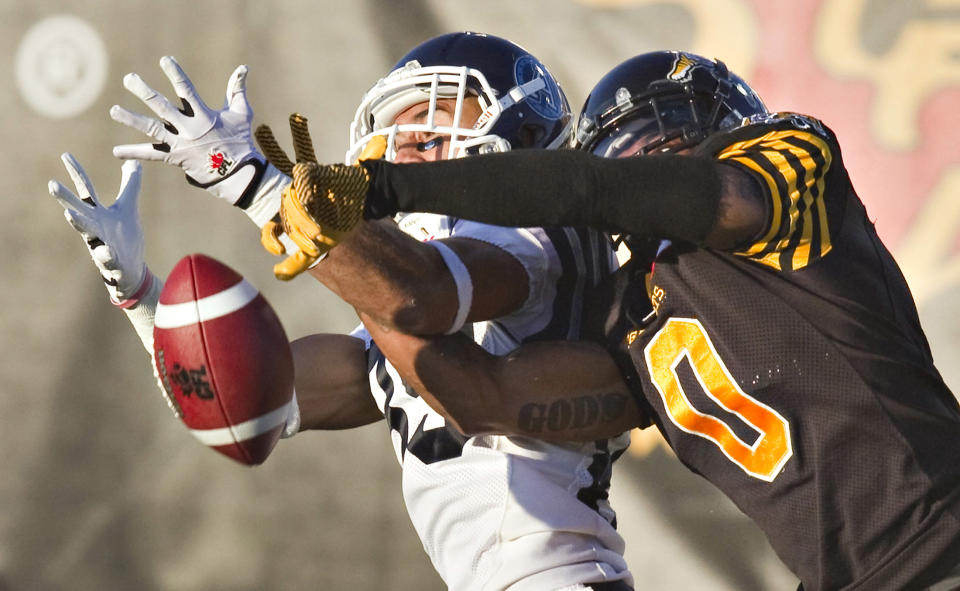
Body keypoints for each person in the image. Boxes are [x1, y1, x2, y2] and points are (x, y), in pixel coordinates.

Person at [266, 50, 960, 590]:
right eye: (629, 148)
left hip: (938, 535)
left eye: (665, 139)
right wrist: (348, 255)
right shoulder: (628, 310)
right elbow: (482, 397)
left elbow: (598, 188)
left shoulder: (789, 165)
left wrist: (385, 188)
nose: (649, 160)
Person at [60, 32, 635, 590]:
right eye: (394, 132)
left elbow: (420, 296)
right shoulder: (405, 310)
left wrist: (259, 187)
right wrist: (140, 296)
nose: (402, 147)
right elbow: (243, 402)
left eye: (428, 125)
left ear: (521, 130)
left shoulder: (532, 230)